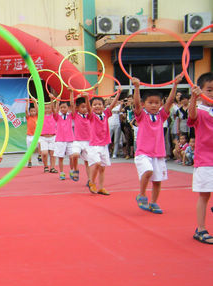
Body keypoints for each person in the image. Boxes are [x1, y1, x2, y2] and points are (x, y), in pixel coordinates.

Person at [132, 74, 182, 214]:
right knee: (148, 171)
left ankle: (153, 203)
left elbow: (170, 102)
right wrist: (136, 87)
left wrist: (175, 85)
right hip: (143, 153)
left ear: (160, 104)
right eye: (150, 102)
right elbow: (136, 104)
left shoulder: (161, 116)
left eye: (156, 103)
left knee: (157, 180)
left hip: (158, 153)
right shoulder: (142, 115)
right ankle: (141, 194)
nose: (153, 105)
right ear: (144, 104)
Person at [187, 72, 213, 244]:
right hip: (205, 161)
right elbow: (192, 115)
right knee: (204, 195)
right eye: (209, 90)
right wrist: (193, 98)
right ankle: (201, 228)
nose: (212, 94)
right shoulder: (200, 110)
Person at [86, 90, 121, 195]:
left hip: (104, 145)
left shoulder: (106, 114)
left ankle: (101, 187)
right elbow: (88, 108)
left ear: (103, 105)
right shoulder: (91, 115)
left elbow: (113, 105)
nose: (97, 106)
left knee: (102, 168)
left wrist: (118, 94)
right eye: (95, 105)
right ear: (92, 106)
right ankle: (91, 182)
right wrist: (86, 99)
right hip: (94, 145)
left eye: (99, 104)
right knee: (96, 163)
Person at [69, 90, 91, 182]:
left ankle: (90, 180)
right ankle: (75, 169)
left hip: (88, 141)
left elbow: (89, 108)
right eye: (82, 107)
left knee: (88, 162)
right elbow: (72, 104)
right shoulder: (75, 115)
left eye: (86, 107)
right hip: (77, 140)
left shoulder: (90, 115)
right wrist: (71, 93)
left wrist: (86, 98)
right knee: (75, 154)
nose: (85, 109)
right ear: (77, 108)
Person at [53, 101, 74, 180]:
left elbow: (72, 105)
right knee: (61, 157)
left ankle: (71, 170)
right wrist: (54, 101)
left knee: (72, 157)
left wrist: (72, 94)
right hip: (60, 140)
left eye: (64, 107)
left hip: (70, 139)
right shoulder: (57, 116)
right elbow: (53, 109)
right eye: (61, 107)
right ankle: (61, 172)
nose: (62, 109)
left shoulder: (70, 115)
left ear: (68, 108)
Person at [39, 101, 57, 173]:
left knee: (52, 153)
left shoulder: (54, 115)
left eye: (48, 108)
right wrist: (35, 102)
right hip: (43, 137)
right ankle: (45, 166)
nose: (47, 109)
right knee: (44, 153)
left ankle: (52, 167)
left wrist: (53, 100)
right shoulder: (41, 116)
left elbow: (54, 107)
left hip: (52, 137)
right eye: (45, 108)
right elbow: (37, 109)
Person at [25, 100, 39, 168]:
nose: (33, 112)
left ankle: (39, 156)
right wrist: (27, 103)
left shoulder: (37, 117)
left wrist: (35, 102)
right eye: (31, 111)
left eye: (34, 111)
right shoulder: (28, 117)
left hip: (35, 136)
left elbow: (37, 109)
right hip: (29, 136)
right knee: (29, 150)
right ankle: (29, 162)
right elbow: (26, 111)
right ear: (30, 112)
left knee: (40, 144)